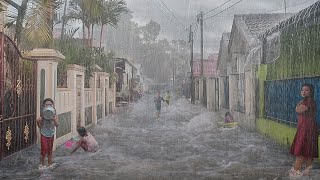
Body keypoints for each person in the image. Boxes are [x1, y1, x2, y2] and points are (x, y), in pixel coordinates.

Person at [289, 83, 318, 177]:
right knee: (308, 152)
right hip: (310, 129)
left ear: (311, 92)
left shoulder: (308, 102)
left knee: (301, 152)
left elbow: (298, 110)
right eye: (302, 90)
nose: (303, 92)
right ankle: (307, 172)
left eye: (306, 90)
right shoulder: (310, 101)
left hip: (305, 130)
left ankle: (294, 173)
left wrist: (299, 104)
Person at [37, 98, 59, 168]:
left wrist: (54, 120)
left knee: (50, 150)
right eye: (47, 104)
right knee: (44, 149)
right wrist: (38, 121)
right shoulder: (43, 113)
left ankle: (49, 164)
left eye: (50, 104)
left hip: (51, 133)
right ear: (44, 105)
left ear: (52, 105)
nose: (48, 106)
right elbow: (40, 126)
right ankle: (41, 164)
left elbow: (57, 125)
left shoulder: (54, 114)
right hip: (43, 133)